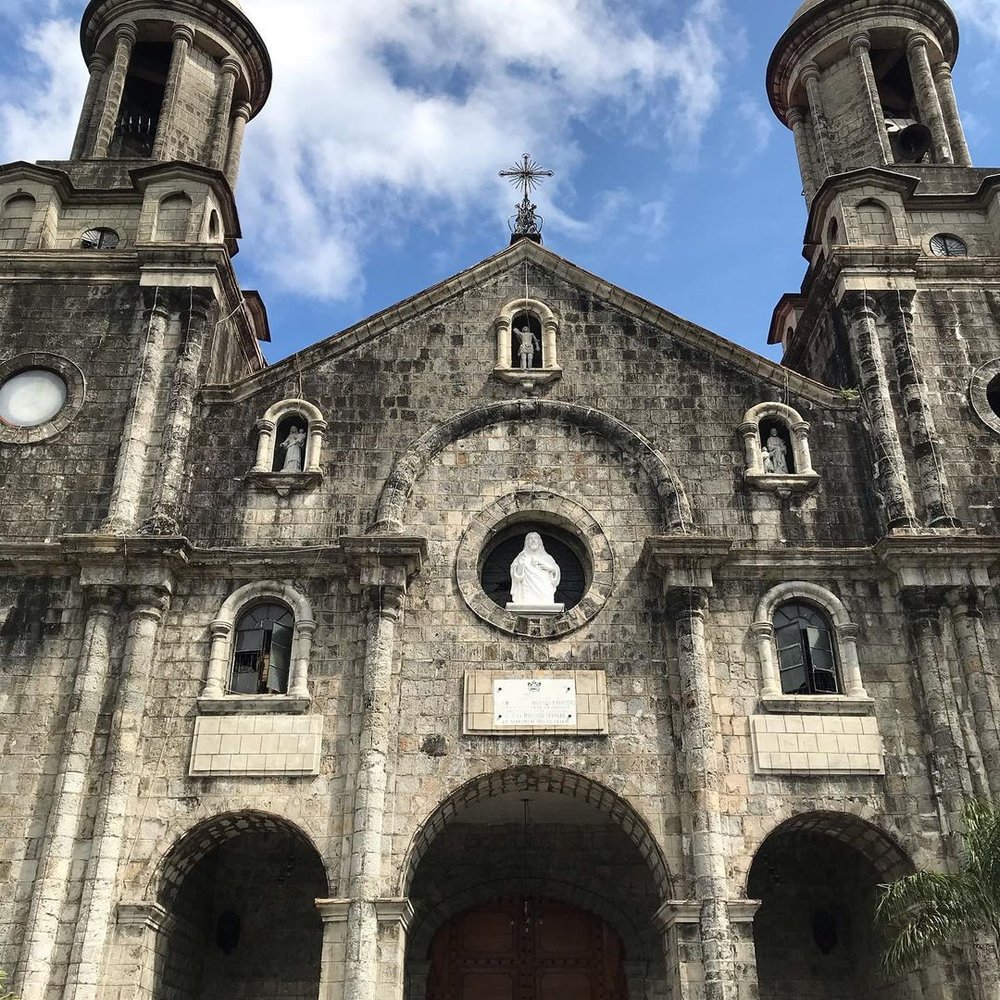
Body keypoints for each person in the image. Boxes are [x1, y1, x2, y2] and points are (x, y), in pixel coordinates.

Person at [509, 532, 561, 606]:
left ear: (539, 542)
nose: (533, 540)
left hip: (544, 590)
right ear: (527, 542)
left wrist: (550, 568)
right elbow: (517, 577)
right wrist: (520, 564)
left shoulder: (547, 558)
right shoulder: (521, 557)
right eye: (530, 538)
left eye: (535, 538)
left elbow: (555, 570)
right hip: (527, 591)